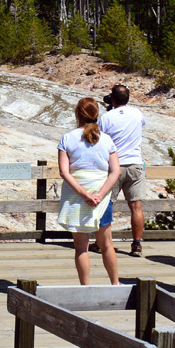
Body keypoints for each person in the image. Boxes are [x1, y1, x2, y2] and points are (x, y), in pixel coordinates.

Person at [58, 98, 121, 285]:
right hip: (101, 196)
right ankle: (115, 283)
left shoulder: (67, 138)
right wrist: (99, 195)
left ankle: (85, 286)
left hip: (76, 196)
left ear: (77, 114)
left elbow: (64, 172)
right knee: (107, 244)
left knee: (81, 248)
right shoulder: (107, 139)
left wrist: (84, 194)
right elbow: (115, 171)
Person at [98, 85, 149, 257]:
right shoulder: (137, 114)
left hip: (114, 166)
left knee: (106, 205)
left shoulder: (106, 117)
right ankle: (137, 244)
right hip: (135, 163)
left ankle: (103, 243)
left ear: (112, 99)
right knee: (136, 206)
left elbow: (100, 140)